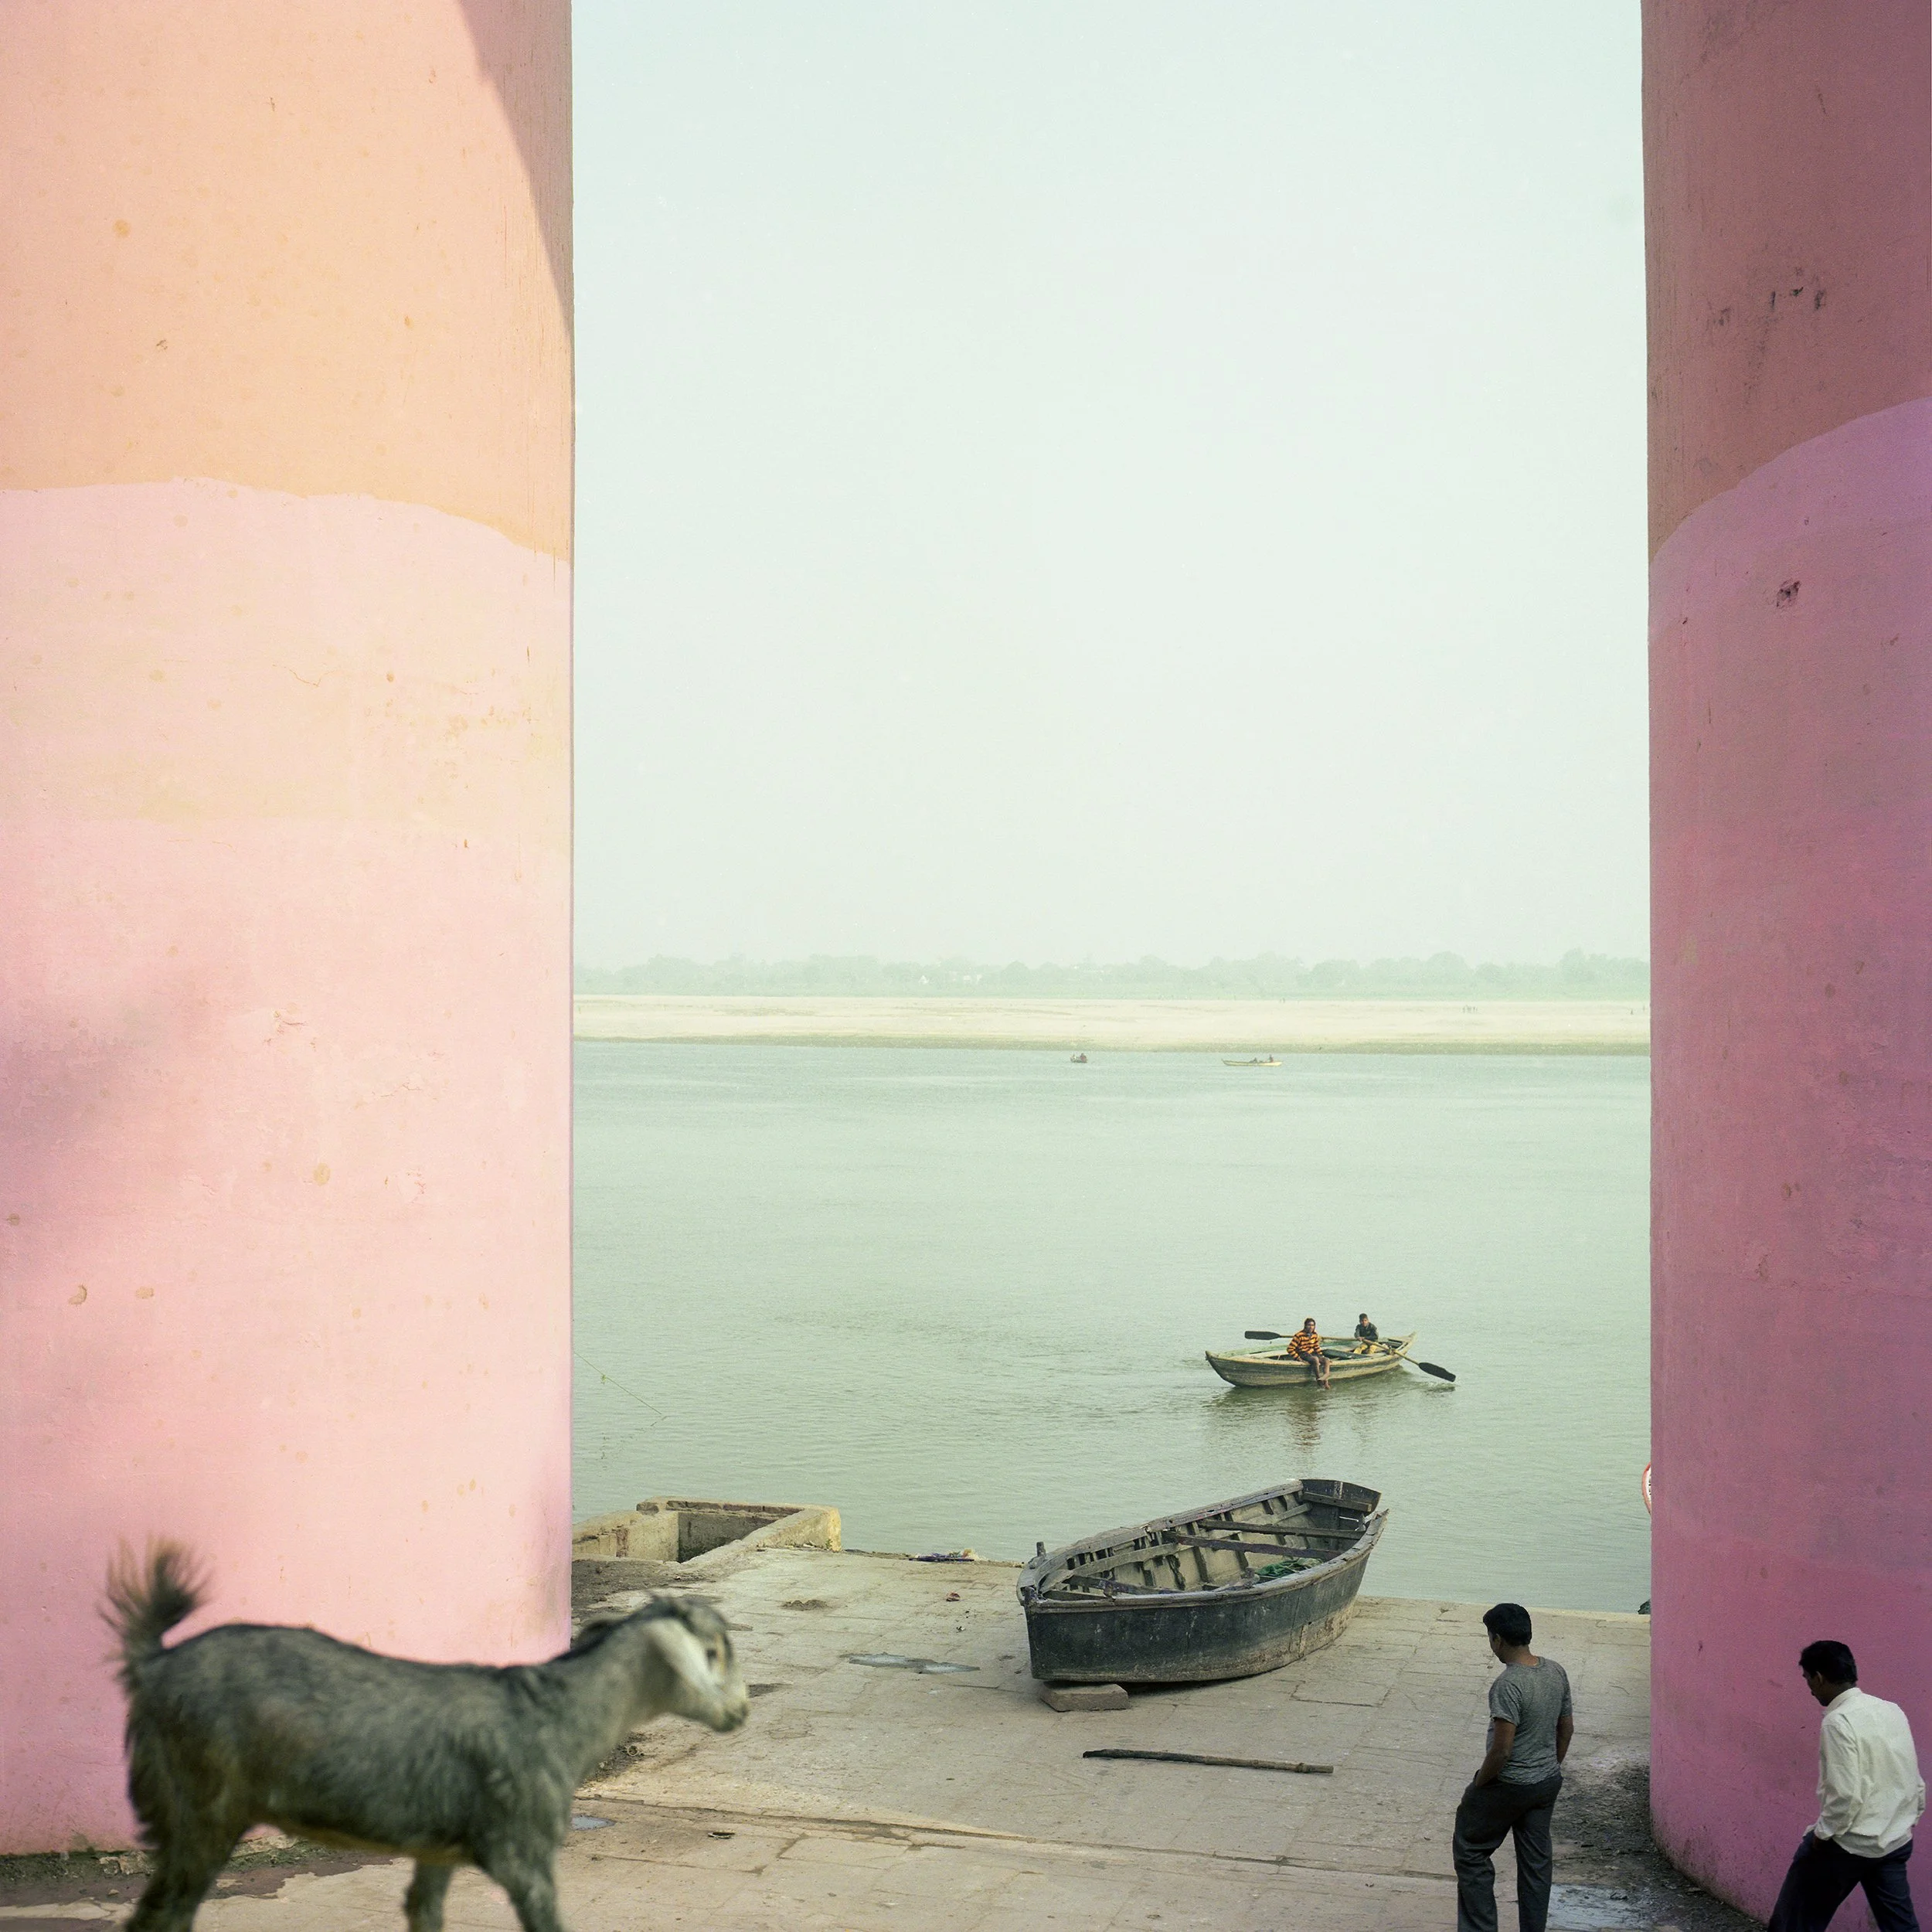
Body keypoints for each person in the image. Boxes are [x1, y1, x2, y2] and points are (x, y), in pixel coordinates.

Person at [1768, 1640, 1924, 1932]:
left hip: (1847, 1845)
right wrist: (1907, 1820)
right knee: (1901, 1925)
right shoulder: (1891, 1710)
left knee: (1795, 1922)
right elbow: (1913, 1778)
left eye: (1808, 1680)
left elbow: (1846, 1795)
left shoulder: (1838, 1721)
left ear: (1818, 1677)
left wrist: (1822, 1836)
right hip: (1894, 1840)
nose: (1810, 1690)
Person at [1454, 1602, 1573, 1932]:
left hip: (1508, 1785)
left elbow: (1502, 1749)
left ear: (1497, 1640)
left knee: (1471, 1850)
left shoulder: (1508, 1685)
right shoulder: (1555, 1671)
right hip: (1546, 1782)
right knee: (1536, 1864)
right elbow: (1566, 1729)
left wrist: (1480, 1783)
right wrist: (1548, 1766)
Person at [1283, 1317, 1331, 1389]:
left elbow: (1316, 1347)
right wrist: (1298, 1358)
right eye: (1309, 1325)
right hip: (1302, 1354)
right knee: (1315, 1359)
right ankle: (1318, 1379)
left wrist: (1321, 1356)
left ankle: (1326, 1380)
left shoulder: (1314, 1335)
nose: (1311, 1327)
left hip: (1311, 1353)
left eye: (1312, 1325)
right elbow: (1290, 1349)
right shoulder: (1299, 1335)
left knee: (1327, 1360)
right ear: (1305, 1326)